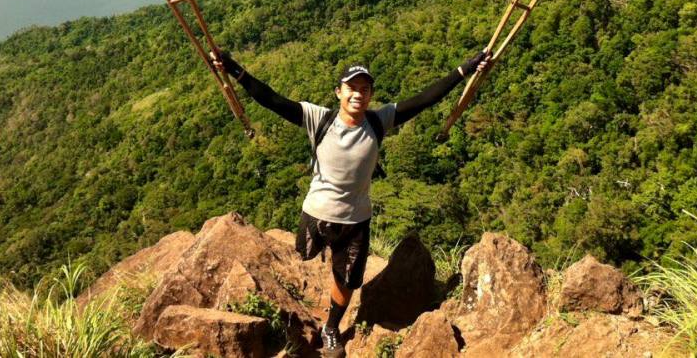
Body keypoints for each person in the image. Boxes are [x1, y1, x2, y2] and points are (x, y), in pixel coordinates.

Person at [210, 49, 490, 357]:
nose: (358, 94)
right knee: (303, 257)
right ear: (339, 92)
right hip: (316, 213)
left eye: (364, 89)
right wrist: (235, 70)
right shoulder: (320, 118)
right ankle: (299, 312)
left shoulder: (378, 121)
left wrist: (464, 70)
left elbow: (424, 99)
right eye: (352, 88)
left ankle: (331, 328)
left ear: (370, 95)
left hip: (356, 219)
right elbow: (273, 100)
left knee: (346, 280)